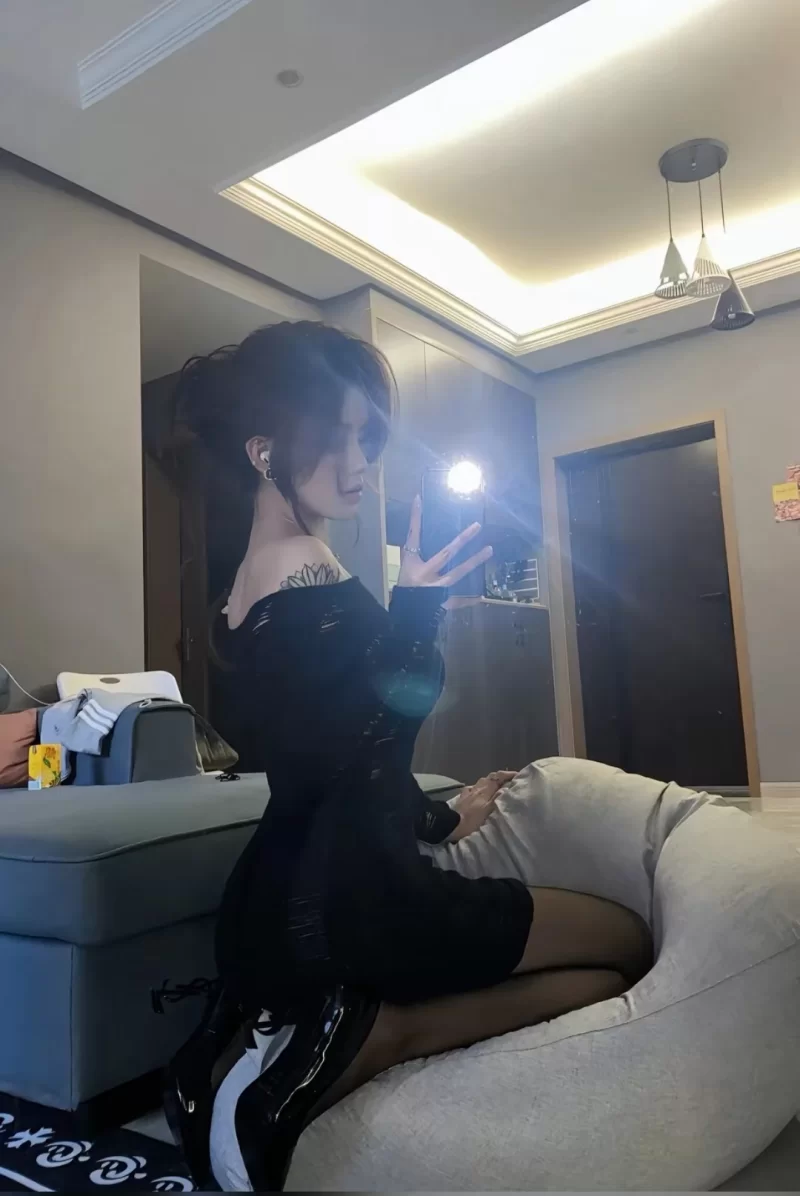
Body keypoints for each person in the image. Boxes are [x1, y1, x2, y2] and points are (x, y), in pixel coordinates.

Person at [164, 321, 652, 1192]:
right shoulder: (307, 568)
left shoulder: (246, 580)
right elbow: (371, 737)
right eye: (335, 438)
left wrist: (439, 814)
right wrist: (417, 612)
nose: (359, 464)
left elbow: (325, 758)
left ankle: (224, 1047)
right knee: (622, 944)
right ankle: (367, 1037)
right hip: (359, 900)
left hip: (266, 904)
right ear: (265, 451)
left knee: (592, 961)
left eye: (369, 437)